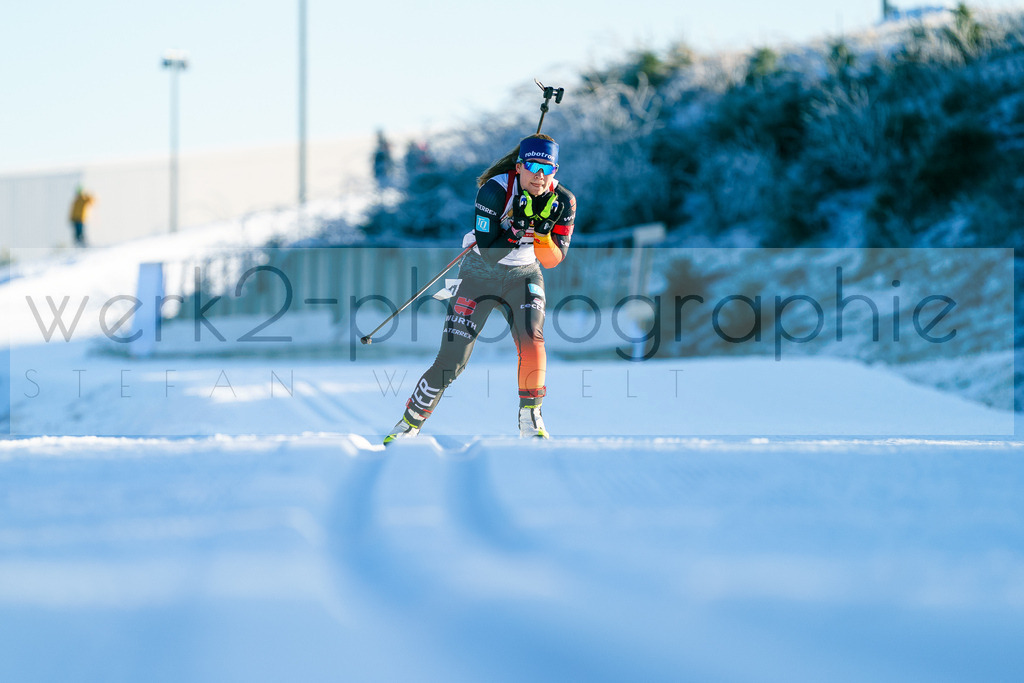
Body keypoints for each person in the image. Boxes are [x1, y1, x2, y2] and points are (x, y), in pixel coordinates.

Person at [384, 133, 577, 443]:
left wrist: (541, 233)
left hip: (524, 274)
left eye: (548, 169)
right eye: (533, 166)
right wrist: (516, 227)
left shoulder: (563, 201)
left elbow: (552, 260)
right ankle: (409, 423)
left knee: (532, 341)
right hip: (478, 273)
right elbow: (489, 252)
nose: (540, 176)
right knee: (452, 361)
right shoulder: (495, 190)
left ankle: (531, 419)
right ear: (519, 165)